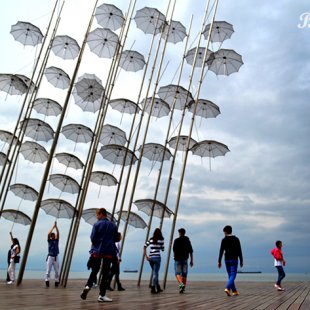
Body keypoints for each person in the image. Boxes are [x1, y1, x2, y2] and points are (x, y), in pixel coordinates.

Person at [80, 208, 118, 303]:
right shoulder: (113, 225)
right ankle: (101, 295)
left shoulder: (96, 224)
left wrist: (97, 244)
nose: (97, 217)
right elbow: (116, 239)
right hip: (108, 252)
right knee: (105, 274)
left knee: (95, 271)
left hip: (97, 252)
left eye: (97, 215)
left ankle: (88, 286)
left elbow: (92, 238)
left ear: (101, 214)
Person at [218, 225, 243, 296]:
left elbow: (221, 251)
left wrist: (219, 261)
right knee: (233, 275)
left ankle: (234, 291)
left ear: (226, 231)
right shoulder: (236, 239)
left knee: (230, 275)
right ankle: (227, 288)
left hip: (227, 260)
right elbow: (239, 250)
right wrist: (241, 260)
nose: (224, 234)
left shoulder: (224, 240)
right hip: (234, 259)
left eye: (224, 232)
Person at [144, 228, 164, 294]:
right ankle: (153, 288)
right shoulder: (161, 240)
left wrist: (146, 256)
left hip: (151, 258)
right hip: (157, 258)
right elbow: (162, 249)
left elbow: (144, 246)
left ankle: (158, 287)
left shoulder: (151, 239)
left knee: (155, 272)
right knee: (155, 273)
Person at [173, 228, 193, 293]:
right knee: (184, 274)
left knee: (177, 273)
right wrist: (191, 260)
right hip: (185, 259)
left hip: (178, 259)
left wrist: (174, 257)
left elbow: (174, 250)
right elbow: (191, 251)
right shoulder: (187, 241)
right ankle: (182, 288)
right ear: (184, 233)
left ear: (179, 233)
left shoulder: (176, 240)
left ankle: (181, 285)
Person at [45, 221, 60, 288]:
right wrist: (53, 227)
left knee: (56, 271)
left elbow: (58, 233)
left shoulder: (56, 240)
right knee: (48, 270)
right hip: (50, 257)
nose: (54, 236)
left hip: (56, 257)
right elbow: (48, 234)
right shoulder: (49, 240)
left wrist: (56, 227)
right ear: (51, 237)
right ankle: (47, 280)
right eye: (52, 235)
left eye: (54, 235)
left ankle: (56, 281)